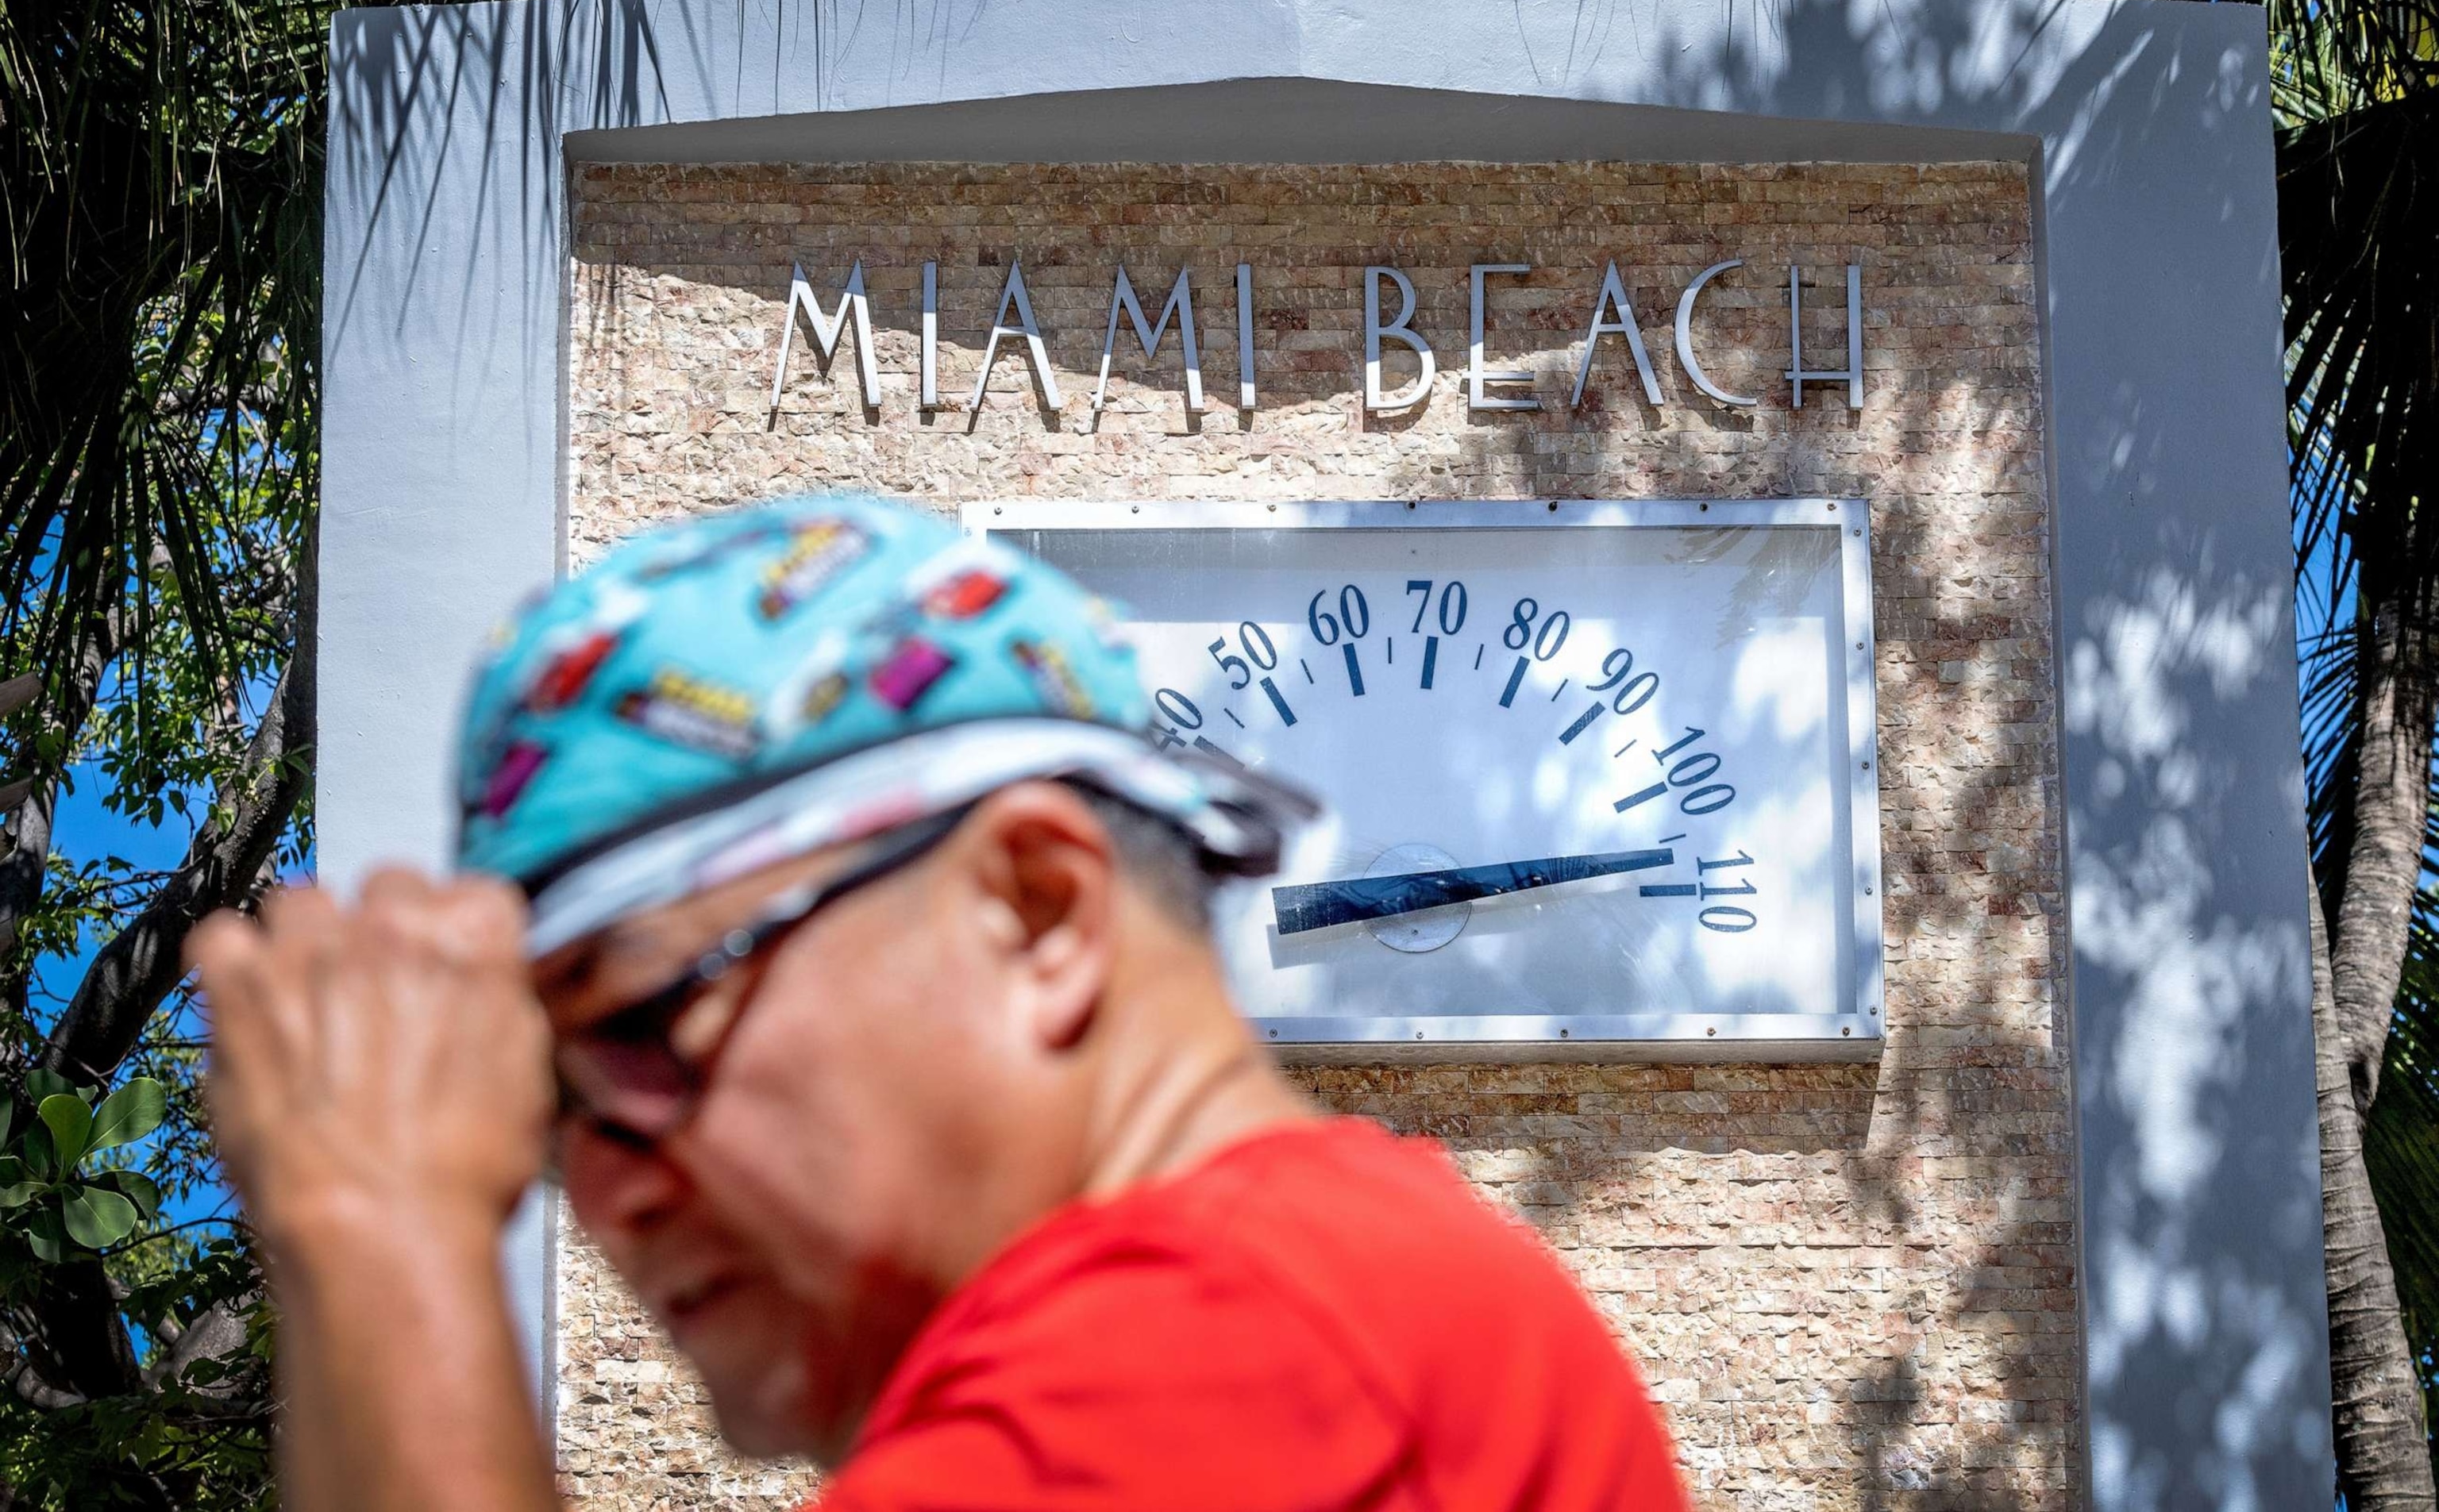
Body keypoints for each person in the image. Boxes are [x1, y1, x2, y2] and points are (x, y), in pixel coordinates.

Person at [191, 496, 1691, 1511]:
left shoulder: (1228, 1345)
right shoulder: (1318, 1304)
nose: (593, 1192)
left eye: (643, 1025)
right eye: (552, 1106)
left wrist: (382, 1232)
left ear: (1035, 909)